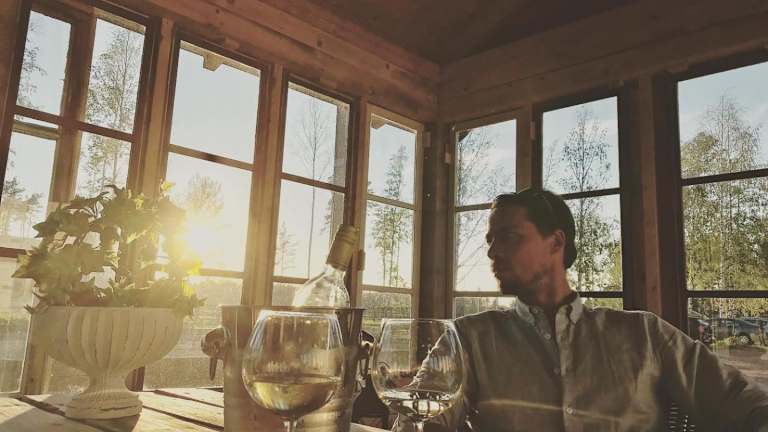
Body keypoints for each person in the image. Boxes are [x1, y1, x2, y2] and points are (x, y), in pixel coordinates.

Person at [394, 188, 768, 432]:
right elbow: (418, 419)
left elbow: (747, 404)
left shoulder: (646, 334)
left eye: (508, 236)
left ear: (556, 242)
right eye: (491, 240)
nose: (492, 251)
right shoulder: (466, 338)